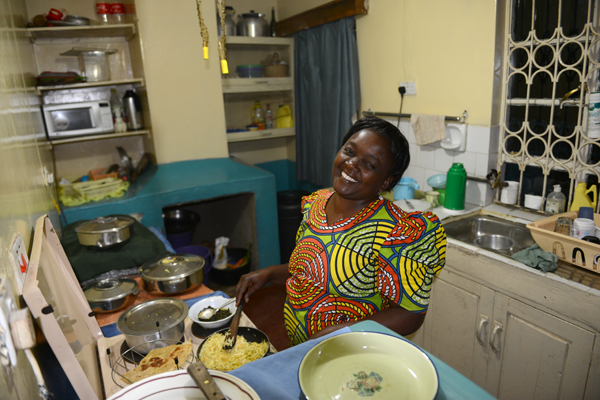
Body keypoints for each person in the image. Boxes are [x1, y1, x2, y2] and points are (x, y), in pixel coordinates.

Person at [236, 116, 446, 346]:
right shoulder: (315, 204)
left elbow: (410, 314)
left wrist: (340, 333)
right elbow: (312, 269)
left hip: (351, 353)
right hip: (300, 348)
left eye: (370, 164)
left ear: (386, 182)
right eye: (349, 151)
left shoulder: (396, 232)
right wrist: (268, 274)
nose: (352, 164)